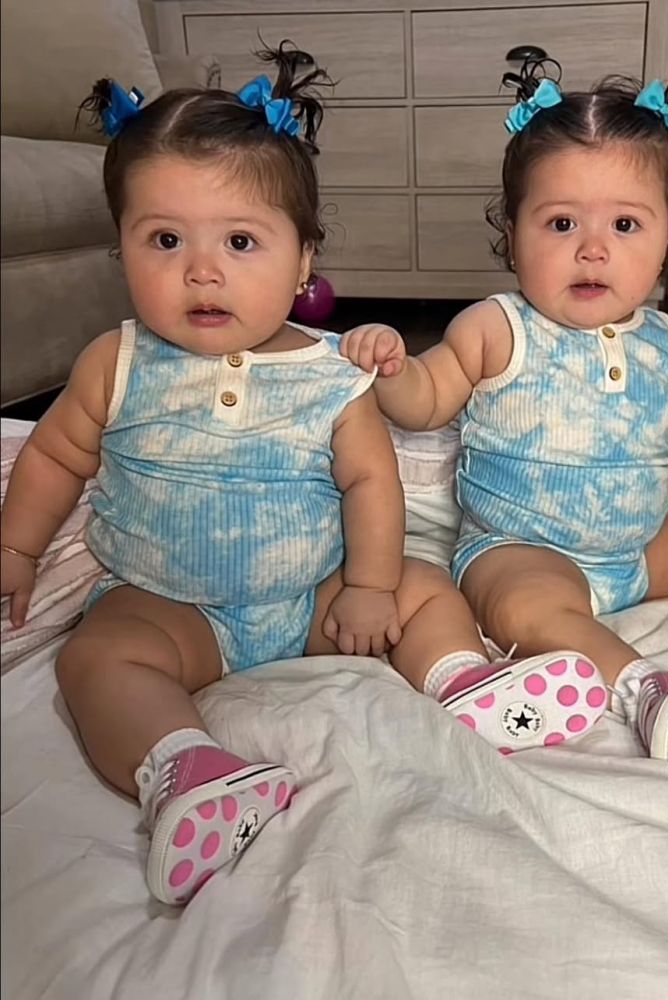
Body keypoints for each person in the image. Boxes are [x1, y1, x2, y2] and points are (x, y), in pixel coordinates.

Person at [0, 44, 528, 907]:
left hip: (312, 599)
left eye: (240, 241)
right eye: (164, 240)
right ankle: (187, 769)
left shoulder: (330, 372)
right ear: (121, 249)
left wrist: (369, 587)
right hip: (170, 606)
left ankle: (464, 680)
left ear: (303, 259)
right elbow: (57, 455)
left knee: (423, 588)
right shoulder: (115, 363)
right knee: (96, 658)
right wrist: (17, 549)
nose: (201, 270)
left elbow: (370, 485)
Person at [341, 61, 668, 766]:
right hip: (521, 549)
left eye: (626, 224)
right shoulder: (497, 328)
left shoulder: (667, 344)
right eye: (561, 223)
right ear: (512, 233)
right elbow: (426, 403)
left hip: (640, 549)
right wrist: (394, 370)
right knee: (523, 608)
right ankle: (647, 689)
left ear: (666, 240)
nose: (593, 249)